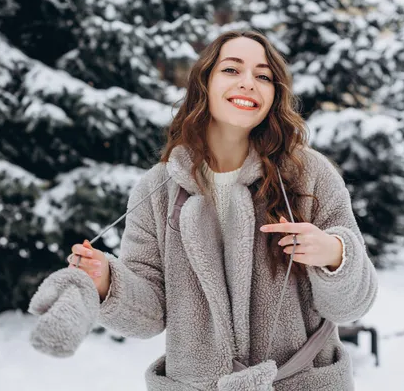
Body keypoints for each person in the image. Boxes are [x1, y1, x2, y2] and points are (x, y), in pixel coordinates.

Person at [64, 30, 378, 390]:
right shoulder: (156, 189)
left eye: (263, 76)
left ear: (274, 95)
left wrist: (334, 255)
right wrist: (106, 282)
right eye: (232, 70)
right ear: (205, 84)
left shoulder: (310, 175)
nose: (248, 83)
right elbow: (148, 317)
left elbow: (353, 306)